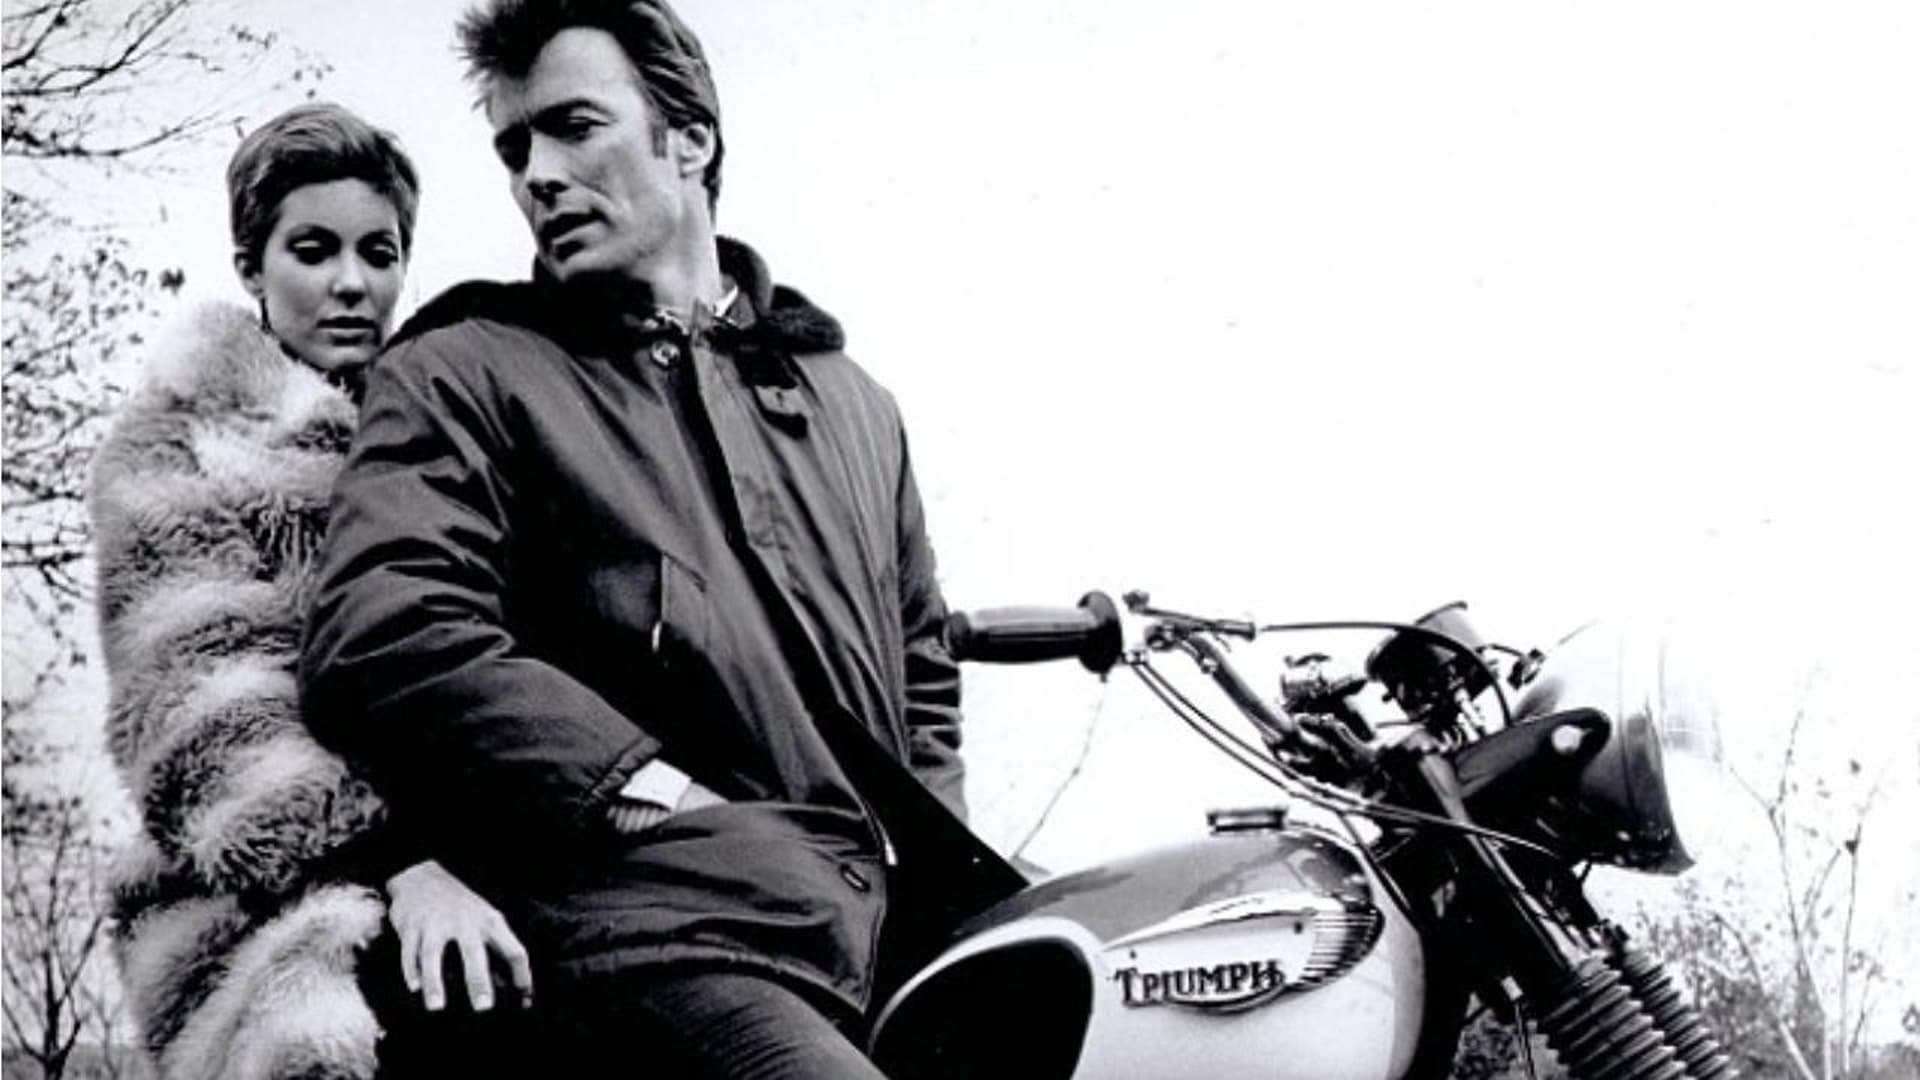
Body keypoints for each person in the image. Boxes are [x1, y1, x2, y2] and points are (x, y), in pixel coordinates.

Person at [298, 1, 1024, 1075]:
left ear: (690, 138)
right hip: (653, 935)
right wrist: (643, 791)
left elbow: (921, 674)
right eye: (515, 149)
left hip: (878, 942)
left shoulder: (852, 403)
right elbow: (388, 634)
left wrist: (934, 881)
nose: (538, 175)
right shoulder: (465, 367)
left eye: (572, 126)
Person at [90, 102, 532, 1080]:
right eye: (313, 249)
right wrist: (400, 866)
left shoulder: (445, 433)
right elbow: (203, 723)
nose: (351, 283)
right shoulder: (174, 450)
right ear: (251, 266)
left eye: (380, 252)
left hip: (476, 861)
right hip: (267, 888)